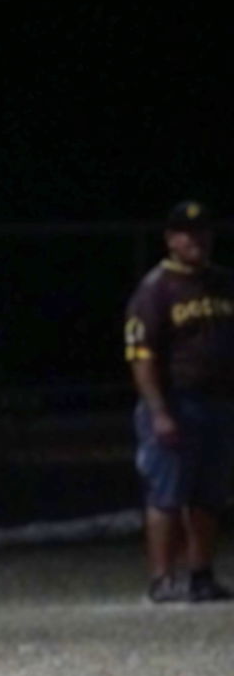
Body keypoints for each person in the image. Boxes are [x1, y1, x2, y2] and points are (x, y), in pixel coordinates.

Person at [124, 200, 234, 603]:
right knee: (167, 493)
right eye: (187, 233)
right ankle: (162, 578)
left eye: (203, 232)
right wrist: (158, 411)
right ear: (171, 239)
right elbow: (142, 355)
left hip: (219, 402)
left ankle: (201, 574)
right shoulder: (157, 289)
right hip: (177, 401)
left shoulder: (222, 283)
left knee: (209, 495)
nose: (197, 240)